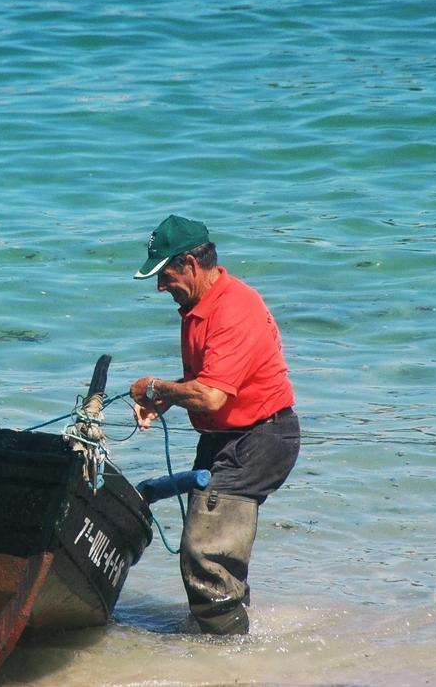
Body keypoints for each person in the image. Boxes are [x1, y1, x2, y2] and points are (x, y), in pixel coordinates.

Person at [128, 214, 300, 635]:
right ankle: (224, 634)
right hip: (224, 437)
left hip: (261, 438)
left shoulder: (234, 308)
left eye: (165, 275)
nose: (160, 286)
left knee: (204, 551)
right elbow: (208, 382)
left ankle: (223, 656)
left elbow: (212, 395)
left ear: (189, 263)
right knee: (211, 547)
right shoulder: (198, 304)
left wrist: (155, 389)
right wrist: (167, 400)